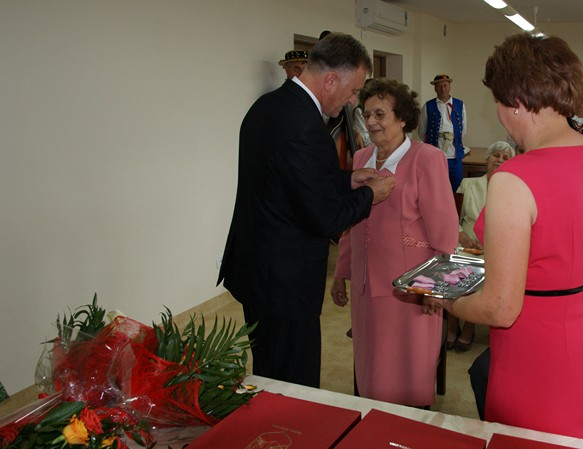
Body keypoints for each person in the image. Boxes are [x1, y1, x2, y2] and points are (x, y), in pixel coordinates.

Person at [433, 33, 583, 443]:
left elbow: (501, 308)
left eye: (498, 101)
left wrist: (444, 299)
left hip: (541, 343)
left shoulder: (514, 177)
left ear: (516, 102)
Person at [217, 33, 396, 389]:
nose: (353, 100)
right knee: (293, 384)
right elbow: (324, 217)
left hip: (258, 271)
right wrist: (369, 196)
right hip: (285, 283)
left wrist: (347, 179)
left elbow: (290, 179)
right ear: (330, 81)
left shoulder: (268, 106)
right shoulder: (305, 126)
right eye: (353, 91)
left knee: (269, 369)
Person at [330, 78, 458, 407]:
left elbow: (445, 229)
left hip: (412, 290)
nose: (371, 121)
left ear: (402, 118)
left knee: (408, 371)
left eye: (380, 114)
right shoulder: (361, 157)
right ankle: (373, 423)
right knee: (372, 368)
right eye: (367, 113)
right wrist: (341, 272)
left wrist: (436, 289)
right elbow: (352, 223)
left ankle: (408, 426)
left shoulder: (426, 158)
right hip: (365, 284)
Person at [448, 140, 515, 352]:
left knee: (483, 270)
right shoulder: (468, 184)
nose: (500, 160)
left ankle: (469, 326)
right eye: (496, 155)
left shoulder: (513, 191)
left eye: (505, 158)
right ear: (487, 159)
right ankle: (452, 324)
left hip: (493, 248)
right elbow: (452, 217)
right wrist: (461, 235)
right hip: (463, 242)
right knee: (454, 267)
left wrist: (492, 245)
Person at [418, 74, 468, 192]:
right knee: (435, 188)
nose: (443, 89)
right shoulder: (428, 106)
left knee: (456, 187)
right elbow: (422, 130)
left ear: (450, 87)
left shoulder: (459, 105)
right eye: (439, 86)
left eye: (445, 85)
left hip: (455, 156)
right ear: (435, 88)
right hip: (435, 156)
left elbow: (463, 129)